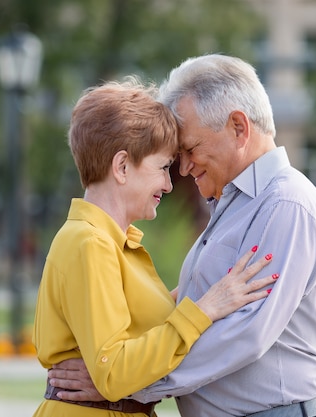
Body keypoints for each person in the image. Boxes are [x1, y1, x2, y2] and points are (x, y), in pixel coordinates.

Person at [49, 54, 316, 417]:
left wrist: (127, 384)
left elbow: (244, 335)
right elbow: (192, 307)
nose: (183, 169)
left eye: (189, 149)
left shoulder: (286, 206)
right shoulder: (234, 205)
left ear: (238, 127)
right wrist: (119, 374)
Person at [31, 77, 278, 417]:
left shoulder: (113, 244)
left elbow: (137, 334)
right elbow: (114, 372)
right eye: (163, 168)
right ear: (121, 167)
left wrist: (207, 291)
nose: (168, 183)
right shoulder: (91, 244)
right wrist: (205, 309)